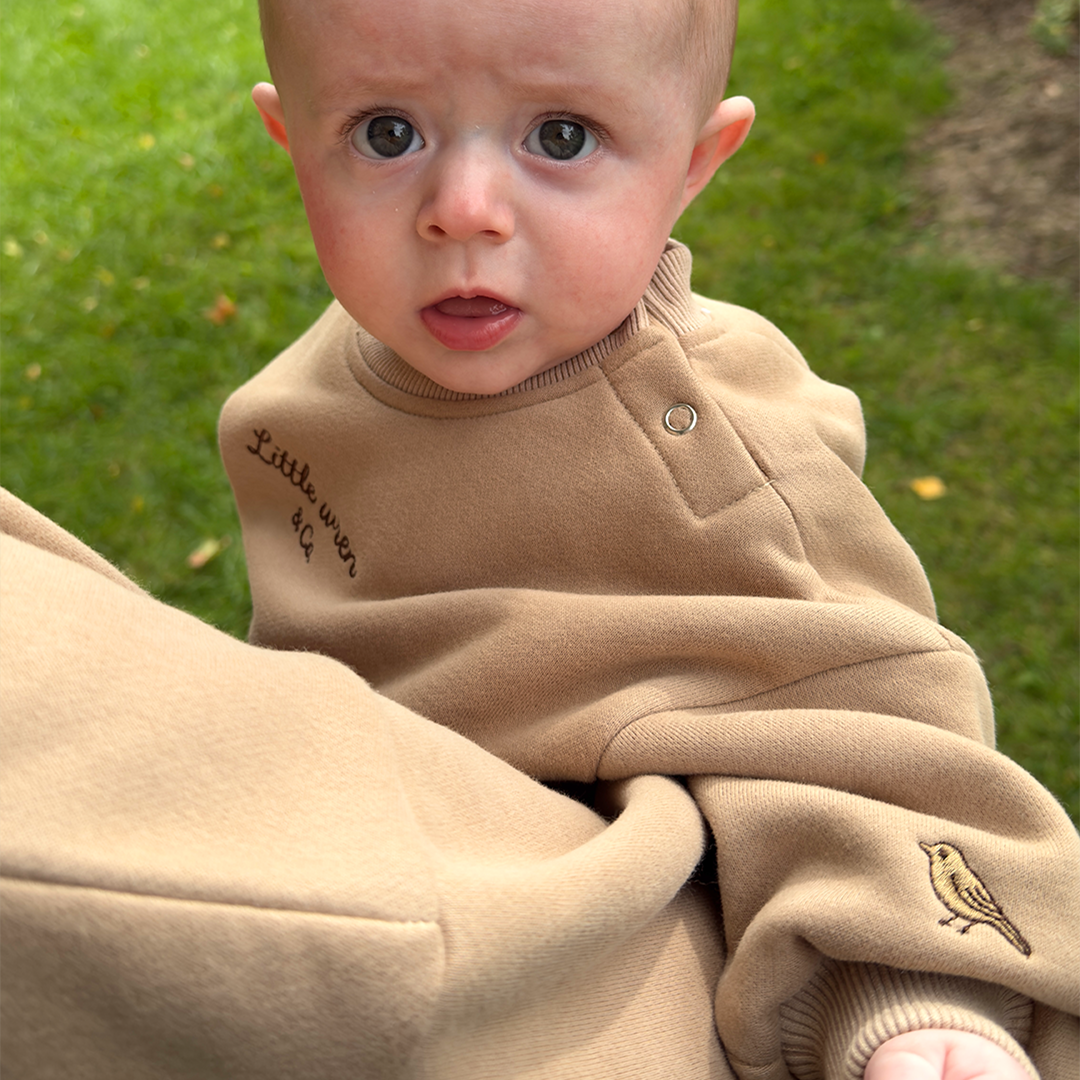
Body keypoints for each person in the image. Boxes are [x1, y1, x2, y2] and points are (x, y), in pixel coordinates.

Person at [214, 0, 1080, 1076]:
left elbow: (873, 724)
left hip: (640, 952)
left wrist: (910, 997)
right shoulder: (285, 416)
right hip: (378, 901)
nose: (464, 210)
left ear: (694, 163)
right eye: (388, 133)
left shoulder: (716, 439)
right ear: (293, 141)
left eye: (561, 137)